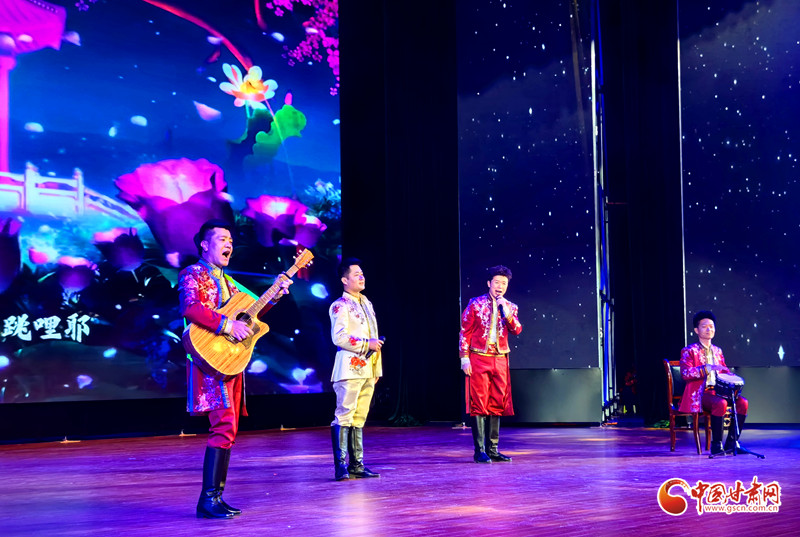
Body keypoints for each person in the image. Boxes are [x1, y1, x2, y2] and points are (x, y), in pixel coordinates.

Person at [179, 219, 292, 518]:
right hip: (210, 359)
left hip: (229, 359)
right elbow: (191, 307)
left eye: (231, 240)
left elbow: (253, 310)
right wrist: (227, 325)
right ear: (204, 244)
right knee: (223, 425)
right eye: (222, 239)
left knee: (228, 427)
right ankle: (208, 499)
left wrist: (276, 293)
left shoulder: (229, 282)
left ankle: (214, 497)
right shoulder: (193, 273)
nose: (229, 244)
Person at [459, 265, 523, 463]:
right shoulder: (475, 304)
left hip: (500, 358)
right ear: (489, 283)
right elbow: (465, 332)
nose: (500, 286)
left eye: (504, 283)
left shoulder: (510, 306)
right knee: (479, 402)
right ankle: (479, 451)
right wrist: (464, 358)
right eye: (497, 282)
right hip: (479, 357)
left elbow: (517, 329)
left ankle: (493, 449)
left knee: (497, 402)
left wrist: (506, 311)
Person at [329, 258, 383, 480]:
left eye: (362, 273)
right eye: (356, 274)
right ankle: (341, 465)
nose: (361, 277)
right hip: (349, 369)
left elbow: (375, 338)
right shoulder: (340, 305)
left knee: (360, 416)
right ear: (345, 280)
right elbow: (339, 337)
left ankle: (357, 464)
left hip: (368, 369)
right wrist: (366, 344)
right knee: (345, 415)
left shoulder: (366, 303)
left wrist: (376, 369)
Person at [678, 310, 748, 456]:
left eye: (711, 326)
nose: (709, 329)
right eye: (704, 326)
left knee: (743, 403)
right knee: (720, 403)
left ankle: (732, 443)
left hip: (718, 392)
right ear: (696, 330)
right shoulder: (689, 351)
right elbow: (685, 373)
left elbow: (723, 371)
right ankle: (716, 445)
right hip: (699, 393)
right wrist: (707, 368)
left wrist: (732, 378)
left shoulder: (718, 351)